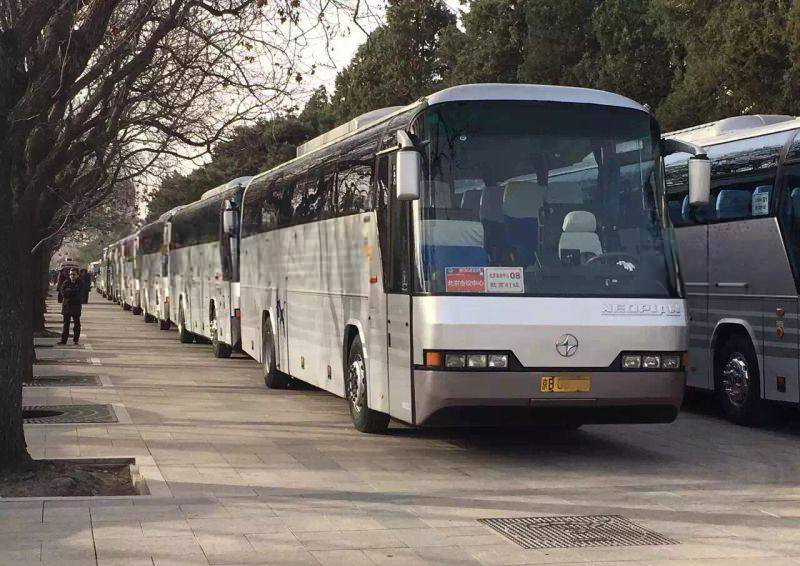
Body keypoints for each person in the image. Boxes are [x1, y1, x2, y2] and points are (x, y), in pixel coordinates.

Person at [58, 269, 83, 345]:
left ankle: (76, 339)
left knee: (77, 323)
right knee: (66, 324)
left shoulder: (80, 283)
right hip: (67, 306)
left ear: (77, 275)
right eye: (71, 274)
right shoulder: (66, 282)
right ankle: (63, 340)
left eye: (74, 274)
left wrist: (70, 292)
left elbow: (80, 293)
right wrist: (73, 291)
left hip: (76, 306)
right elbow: (63, 292)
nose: (72, 276)